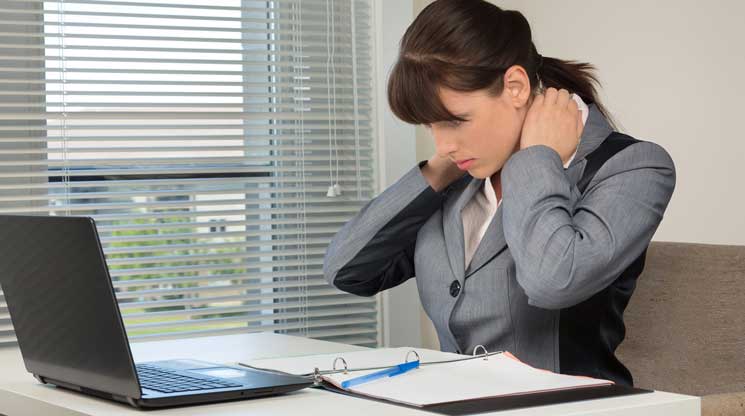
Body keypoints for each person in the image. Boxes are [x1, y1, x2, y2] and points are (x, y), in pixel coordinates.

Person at [323, 0, 675, 386]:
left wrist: (538, 156)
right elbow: (348, 270)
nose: (442, 144)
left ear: (516, 87)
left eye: (455, 121)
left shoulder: (634, 165)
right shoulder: (461, 176)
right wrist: (437, 173)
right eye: (430, 126)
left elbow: (553, 280)